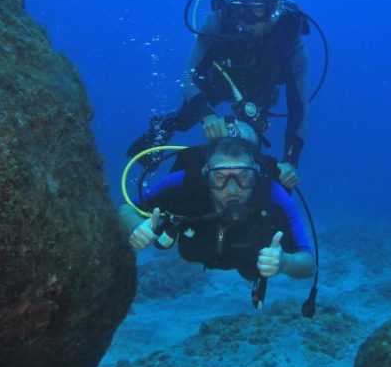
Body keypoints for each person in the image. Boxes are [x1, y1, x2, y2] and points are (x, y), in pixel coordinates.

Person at [126, 0, 309, 189]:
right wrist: (207, 115)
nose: (246, 19)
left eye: (257, 9)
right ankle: (165, 128)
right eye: (241, 8)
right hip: (217, 82)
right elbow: (187, 77)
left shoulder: (289, 44)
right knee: (184, 119)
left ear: (274, 7)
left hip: (259, 94)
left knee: (249, 146)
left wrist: (290, 161)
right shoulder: (219, 21)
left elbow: (298, 108)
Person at [118, 122, 315, 288]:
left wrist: (285, 262)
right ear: (206, 173)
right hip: (196, 249)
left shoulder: (274, 194)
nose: (232, 190)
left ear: (255, 173)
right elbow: (124, 208)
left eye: (243, 177)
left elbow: (308, 263)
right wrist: (136, 226)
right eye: (219, 177)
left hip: (247, 258)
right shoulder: (182, 182)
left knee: (251, 270)